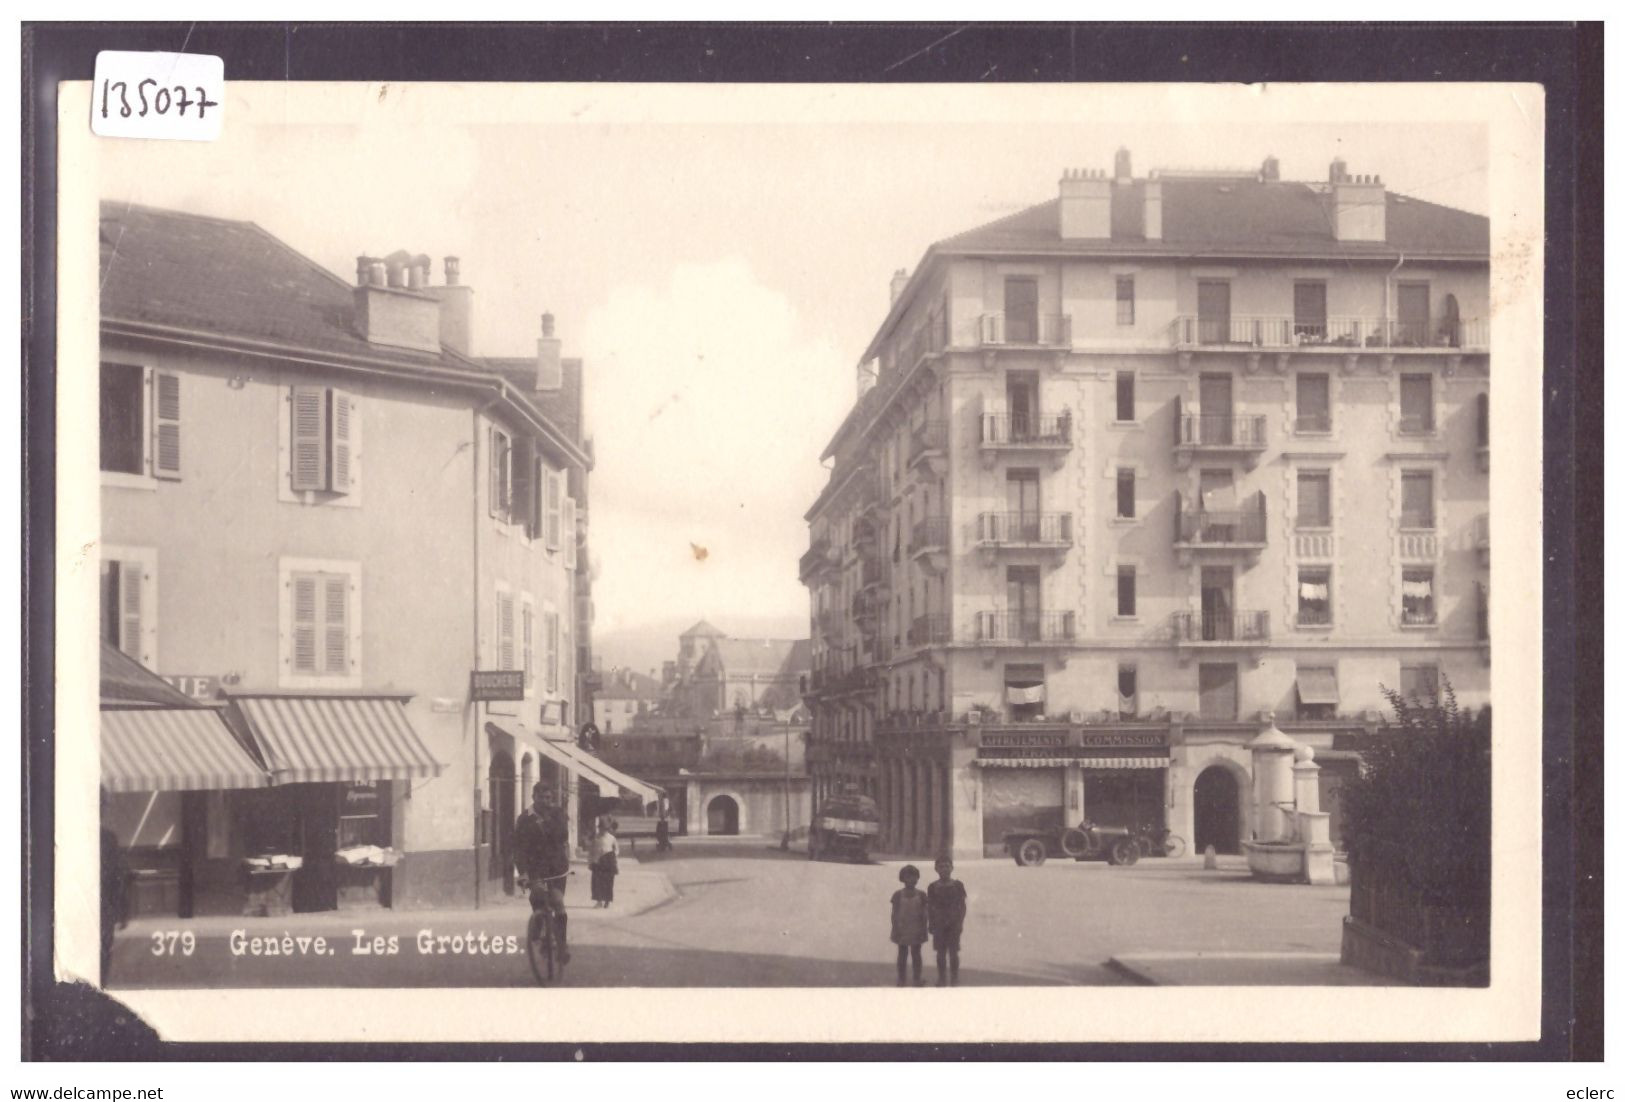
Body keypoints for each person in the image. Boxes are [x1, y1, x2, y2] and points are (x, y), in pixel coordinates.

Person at [513, 782, 570, 964]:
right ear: (533, 797)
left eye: (549, 798)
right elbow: (519, 849)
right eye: (542, 797)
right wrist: (522, 873)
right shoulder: (524, 819)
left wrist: (548, 820)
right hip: (535, 866)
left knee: (557, 901)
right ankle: (538, 925)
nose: (546, 801)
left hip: (557, 866)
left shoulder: (557, 814)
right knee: (537, 896)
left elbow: (563, 836)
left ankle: (561, 945)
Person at [927, 855, 968, 987]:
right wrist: (931, 923)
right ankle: (941, 978)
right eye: (941, 866)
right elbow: (930, 906)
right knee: (940, 952)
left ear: (952, 868)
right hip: (939, 923)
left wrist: (960, 922)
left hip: (953, 923)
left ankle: (954, 978)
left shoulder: (958, 885)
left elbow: (962, 906)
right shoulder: (932, 887)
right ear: (936, 869)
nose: (944, 869)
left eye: (947, 866)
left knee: (953, 952)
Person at [100, 821, 130, 983]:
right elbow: (118, 877)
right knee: (103, 951)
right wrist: (123, 911)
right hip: (104, 906)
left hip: (85, 903)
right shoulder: (109, 838)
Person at [889, 864, 928, 986]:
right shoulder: (897, 895)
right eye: (908, 877)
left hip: (917, 928)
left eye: (914, 877)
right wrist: (895, 928)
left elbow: (925, 913)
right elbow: (894, 913)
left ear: (918, 878)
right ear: (902, 878)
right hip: (902, 928)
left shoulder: (921, 895)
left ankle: (917, 978)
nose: (911, 880)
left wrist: (923, 928)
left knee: (916, 954)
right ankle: (901, 978)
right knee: (902, 953)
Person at [590, 816, 619, 908]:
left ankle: (607, 900)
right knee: (597, 882)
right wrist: (591, 860)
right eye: (601, 828)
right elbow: (592, 850)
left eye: (605, 829)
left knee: (608, 882)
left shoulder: (612, 838)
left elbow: (616, 849)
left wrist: (613, 855)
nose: (603, 831)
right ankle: (599, 901)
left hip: (608, 861)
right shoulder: (596, 838)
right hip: (598, 862)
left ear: (607, 829)